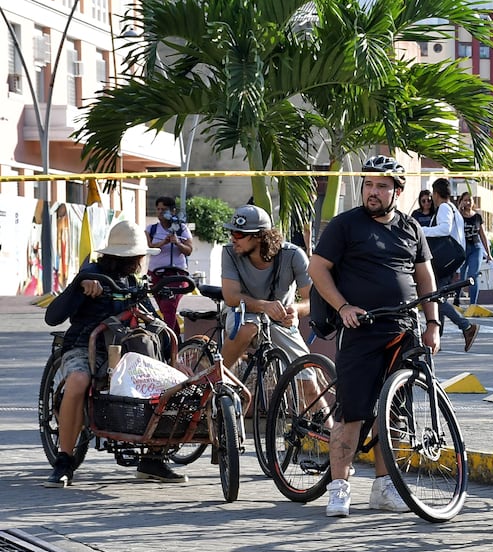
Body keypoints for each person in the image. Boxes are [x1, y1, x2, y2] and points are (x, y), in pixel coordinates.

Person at [308, 155, 441, 518]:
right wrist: (343, 306)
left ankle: (384, 487)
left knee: (393, 412)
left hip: (402, 330)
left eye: (382, 185)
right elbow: (317, 268)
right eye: (368, 184)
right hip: (359, 330)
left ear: (397, 191)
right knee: (352, 413)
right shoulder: (345, 225)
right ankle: (339, 487)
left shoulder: (411, 229)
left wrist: (433, 324)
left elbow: (425, 278)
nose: (373, 191)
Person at [43, 219, 187, 486]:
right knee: (77, 381)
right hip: (85, 347)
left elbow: (157, 325)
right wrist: (80, 285)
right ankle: (64, 460)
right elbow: (53, 317)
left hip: (128, 353)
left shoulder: (136, 282)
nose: (139, 260)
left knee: (164, 386)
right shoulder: (91, 275)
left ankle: (153, 459)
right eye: (136, 256)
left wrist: (174, 363)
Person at [218, 205, 313, 373]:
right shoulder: (229, 252)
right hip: (241, 312)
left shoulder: (293, 255)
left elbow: (311, 299)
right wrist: (264, 306)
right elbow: (231, 297)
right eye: (231, 232)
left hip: (280, 322)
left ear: (260, 237)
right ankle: (216, 378)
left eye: (239, 234)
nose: (233, 239)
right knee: (248, 327)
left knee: (309, 384)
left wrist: (296, 310)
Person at [417, 178, 478, 352]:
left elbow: (444, 229)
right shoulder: (454, 209)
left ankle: (466, 327)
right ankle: (438, 337)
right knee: (437, 294)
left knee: (434, 297)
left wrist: (422, 230)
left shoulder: (444, 207)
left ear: (436, 194)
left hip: (446, 259)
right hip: (454, 259)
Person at [146, 196, 193, 334]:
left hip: (176, 275)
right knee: (165, 309)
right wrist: (164, 242)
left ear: (173, 211)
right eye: (158, 209)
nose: (160, 212)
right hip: (156, 274)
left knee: (168, 305)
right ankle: (176, 340)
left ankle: (166, 340)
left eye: (164, 210)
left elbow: (189, 250)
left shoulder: (181, 229)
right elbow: (149, 247)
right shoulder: (151, 229)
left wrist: (178, 242)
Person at [457, 192, 491, 307]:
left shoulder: (477, 216)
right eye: (465, 200)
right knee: (461, 276)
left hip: (475, 248)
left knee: (473, 275)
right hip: (462, 248)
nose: (468, 202)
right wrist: (459, 209)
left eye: (470, 200)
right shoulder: (458, 215)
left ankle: (473, 304)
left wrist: (488, 253)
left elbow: (483, 235)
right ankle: (457, 300)